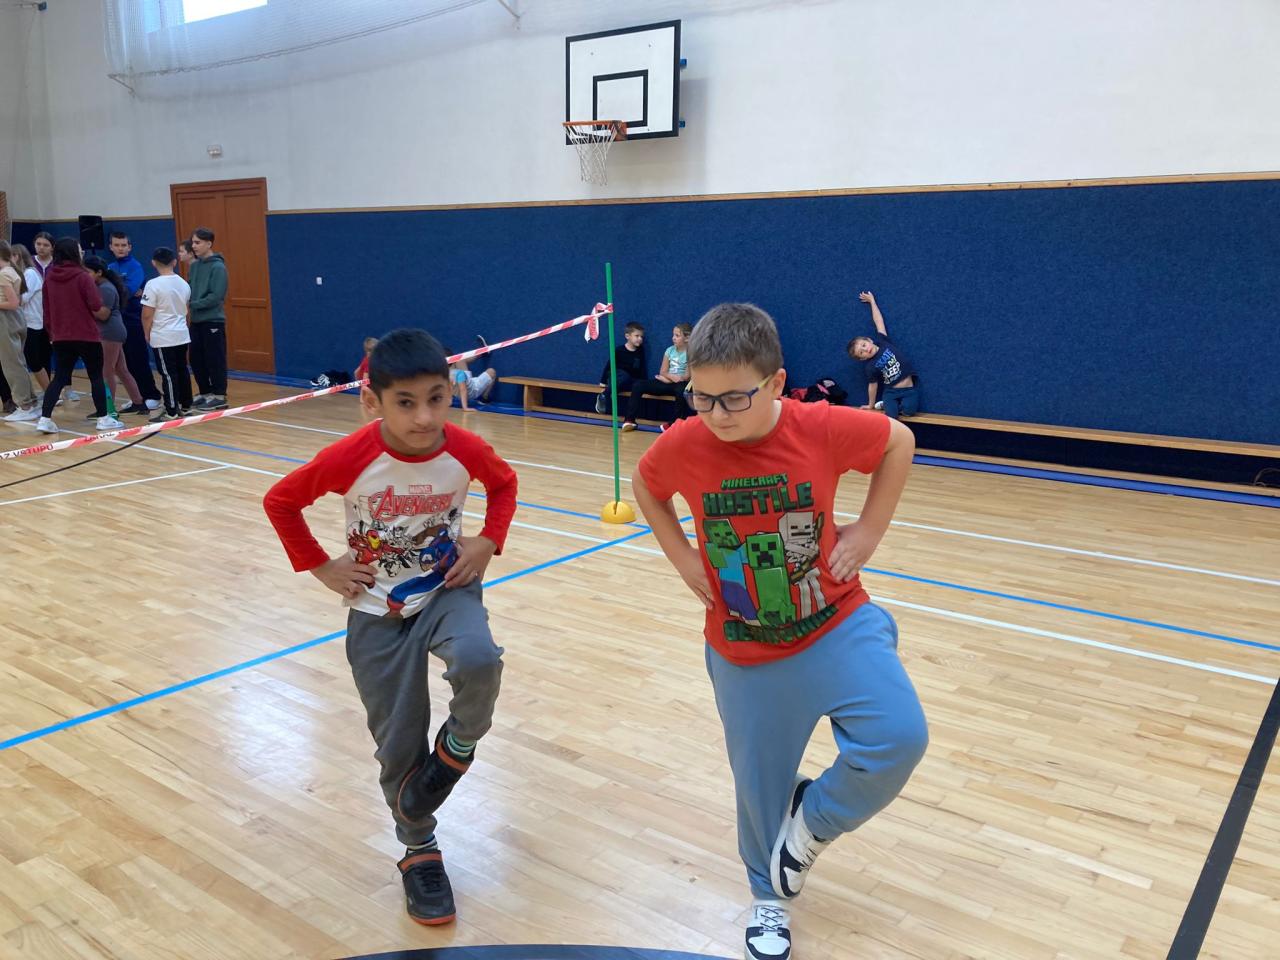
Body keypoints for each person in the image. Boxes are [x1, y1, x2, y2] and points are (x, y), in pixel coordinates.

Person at [631, 303, 928, 960]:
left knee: (899, 738)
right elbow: (645, 486)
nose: (717, 414)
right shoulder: (686, 442)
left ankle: (810, 823)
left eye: (735, 398)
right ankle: (769, 897)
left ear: (776, 383)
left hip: (836, 621)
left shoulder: (818, 426)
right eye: (702, 397)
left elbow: (898, 441)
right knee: (759, 792)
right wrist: (683, 558)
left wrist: (870, 529)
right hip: (745, 651)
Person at [262, 328, 517, 926]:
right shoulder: (350, 456)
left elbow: (504, 484)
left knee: (479, 658)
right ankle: (419, 849)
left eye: (437, 398)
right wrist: (321, 566)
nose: (425, 417)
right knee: (398, 744)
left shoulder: (464, 449)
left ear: (452, 392)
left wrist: (487, 540)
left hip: (446, 591)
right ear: (371, 401)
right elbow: (281, 501)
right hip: (375, 612)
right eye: (406, 402)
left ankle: (458, 747)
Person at [37, 238, 111, 433]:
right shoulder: (83, 276)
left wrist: (52, 332)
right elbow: (95, 304)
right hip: (86, 335)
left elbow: (46, 310)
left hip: (61, 336)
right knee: (96, 376)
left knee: (60, 378)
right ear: (74, 253)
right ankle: (103, 419)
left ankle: (44, 419)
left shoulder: (49, 277)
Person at [109, 231, 163, 411]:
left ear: (129, 247)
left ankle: (152, 395)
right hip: (117, 321)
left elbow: (129, 290)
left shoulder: (135, 266)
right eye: (117, 245)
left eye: (123, 245)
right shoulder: (110, 267)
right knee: (125, 364)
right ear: (111, 247)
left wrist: (115, 289)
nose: (120, 248)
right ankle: (137, 398)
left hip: (133, 320)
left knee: (138, 359)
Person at [81, 257, 139, 426]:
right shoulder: (102, 286)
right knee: (121, 370)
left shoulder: (105, 288)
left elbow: (103, 315)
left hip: (109, 333)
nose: (85, 276)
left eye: (87, 272)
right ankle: (138, 402)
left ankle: (108, 409)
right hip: (112, 332)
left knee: (106, 372)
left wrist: (83, 307)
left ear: (99, 272)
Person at [847, 291, 920, 419]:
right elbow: (872, 386)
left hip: (909, 389)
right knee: (892, 416)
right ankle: (885, 404)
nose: (865, 350)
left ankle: (886, 405)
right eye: (861, 352)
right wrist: (870, 405)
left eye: (864, 345)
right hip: (891, 392)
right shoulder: (870, 367)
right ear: (862, 358)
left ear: (869, 340)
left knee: (909, 412)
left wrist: (872, 302)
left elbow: (879, 321)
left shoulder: (883, 342)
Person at [141, 248, 193, 422]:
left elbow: (147, 314)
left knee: (168, 373)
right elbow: (187, 310)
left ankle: (171, 410)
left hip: (163, 335)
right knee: (182, 369)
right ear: (174, 262)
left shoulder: (153, 284)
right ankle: (186, 405)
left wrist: (146, 333)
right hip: (181, 334)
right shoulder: (184, 283)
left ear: (153, 263)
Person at [621, 322, 691, 432]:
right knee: (639, 385)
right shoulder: (670, 350)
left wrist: (668, 379)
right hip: (667, 381)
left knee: (682, 390)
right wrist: (669, 379)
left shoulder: (691, 353)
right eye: (673, 335)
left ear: (687, 338)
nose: (673, 338)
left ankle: (674, 424)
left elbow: (686, 376)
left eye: (677, 336)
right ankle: (630, 420)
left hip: (679, 384)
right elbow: (663, 371)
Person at [188, 227, 229, 410]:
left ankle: (219, 395)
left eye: (198, 242)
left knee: (215, 359)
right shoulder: (194, 266)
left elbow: (216, 296)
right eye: (193, 242)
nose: (194, 246)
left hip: (213, 320)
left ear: (209, 244)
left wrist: (192, 304)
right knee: (196, 358)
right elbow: (189, 289)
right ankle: (205, 392)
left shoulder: (218, 267)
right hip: (196, 320)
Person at [0, 241, 40, 423]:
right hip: (16, 320)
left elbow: (13, 303)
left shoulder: (4, 274)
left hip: (7, 320)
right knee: (18, 362)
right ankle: (30, 402)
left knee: (11, 365)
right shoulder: (12, 271)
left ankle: (25, 406)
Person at [10, 244, 53, 395]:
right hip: (23, 323)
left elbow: (21, 300)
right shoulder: (22, 274)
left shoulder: (30, 274)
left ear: (17, 257)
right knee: (26, 361)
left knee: (34, 362)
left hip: (32, 324)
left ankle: (50, 393)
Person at [594, 321, 647, 414]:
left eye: (641, 337)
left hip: (629, 380)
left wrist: (643, 381)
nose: (640, 339)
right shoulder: (619, 350)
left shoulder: (640, 351)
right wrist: (603, 381)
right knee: (624, 376)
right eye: (637, 336)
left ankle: (611, 392)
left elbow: (641, 367)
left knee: (634, 382)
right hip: (616, 376)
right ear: (627, 336)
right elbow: (609, 365)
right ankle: (604, 395)